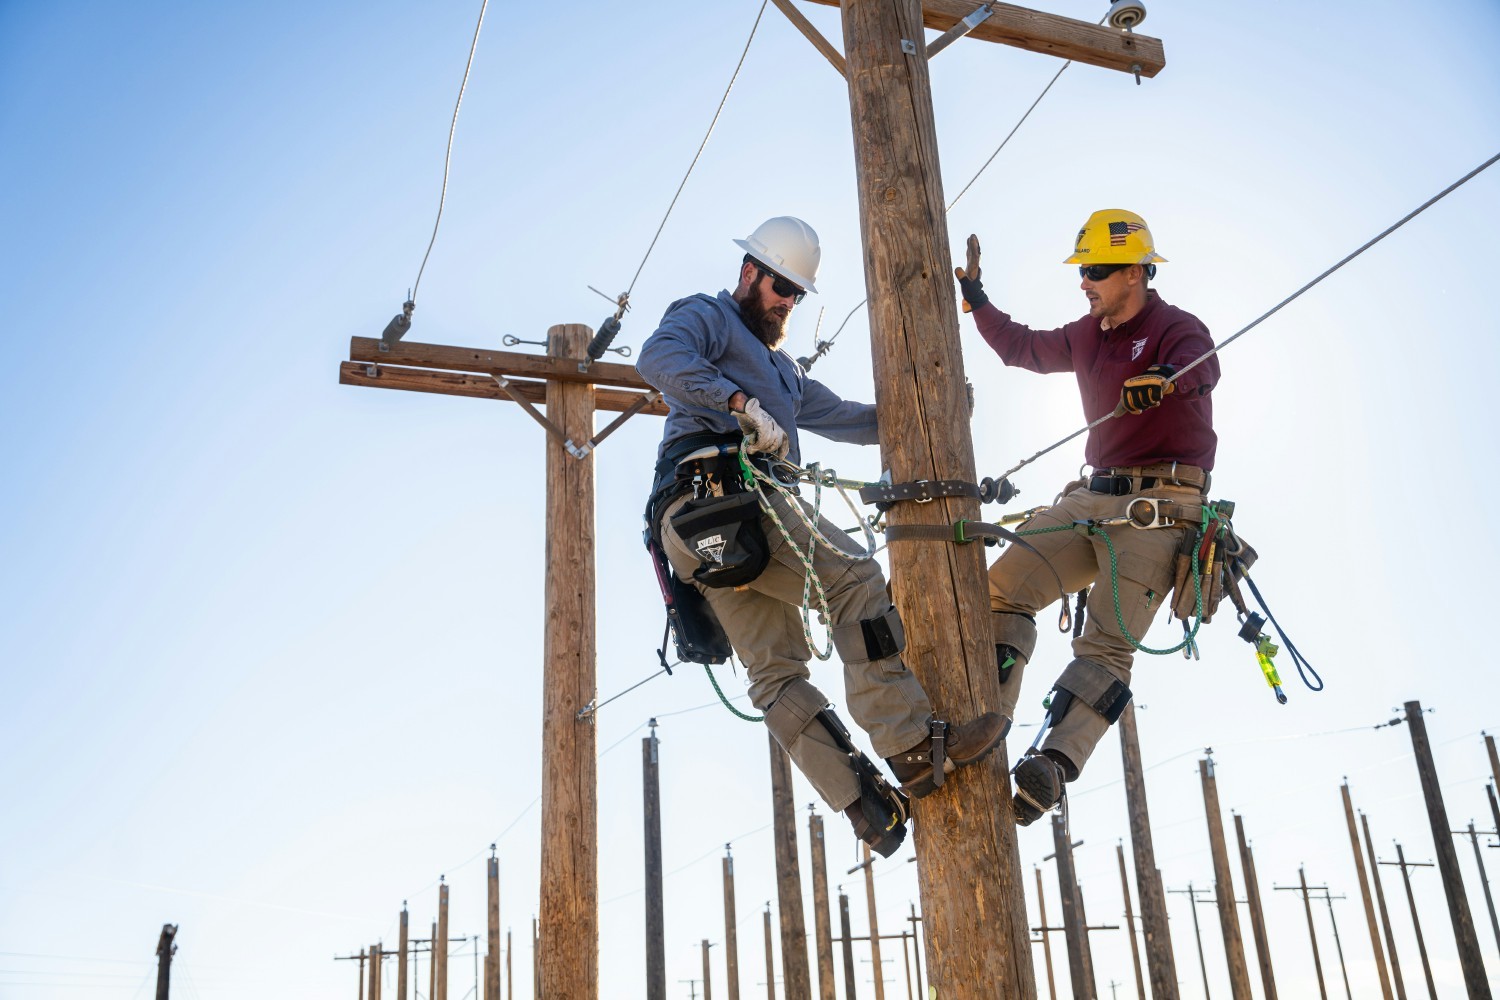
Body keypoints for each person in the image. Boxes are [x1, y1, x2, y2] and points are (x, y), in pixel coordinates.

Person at [638, 216, 1005, 855]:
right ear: (749, 271)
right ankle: (911, 744)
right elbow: (659, 357)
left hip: (717, 529)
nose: (786, 301)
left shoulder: (783, 375)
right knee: (855, 576)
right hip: (719, 498)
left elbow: (850, 420)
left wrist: (937, 408)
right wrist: (736, 405)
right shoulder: (707, 317)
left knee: (776, 673)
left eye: (796, 294)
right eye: (780, 285)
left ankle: (864, 803)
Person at [956, 209, 1220, 825]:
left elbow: (1201, 368)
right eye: (1083, 271)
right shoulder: (1088, 333)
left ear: (1136, 272)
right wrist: (976, 300)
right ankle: (983, 724)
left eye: (1096, 270)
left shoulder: (1176, 328)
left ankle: (1051, 763)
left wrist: (1163, 380)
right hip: (1090, 499)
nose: (1085, 282)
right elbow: (1022, 347)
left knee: (1104, 644)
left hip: (1160, 506)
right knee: (998, 590)